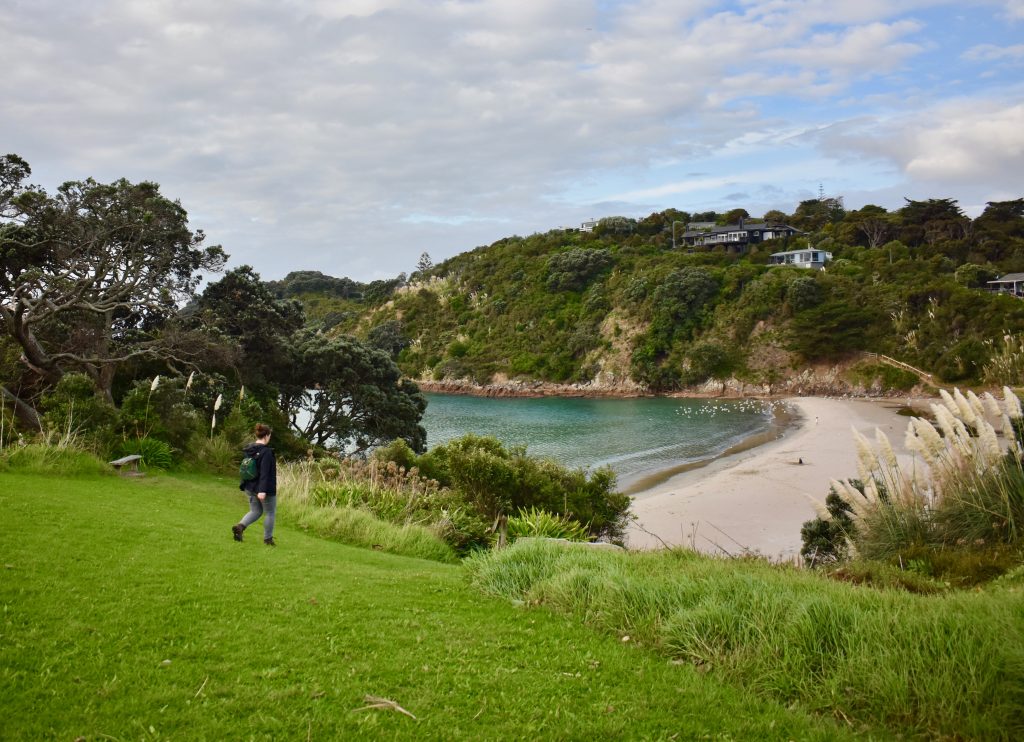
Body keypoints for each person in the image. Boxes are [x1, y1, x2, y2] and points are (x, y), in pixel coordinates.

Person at [232, 423, 278, 546]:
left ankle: (240, 527)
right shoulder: (266, 452)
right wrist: (262, 491)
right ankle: (268, 539)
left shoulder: (249, 449)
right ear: (267, 435)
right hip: (264, 489)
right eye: (270, 435)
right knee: (270, 512)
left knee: (256, 511)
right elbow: (265, 473)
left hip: (249, 486)